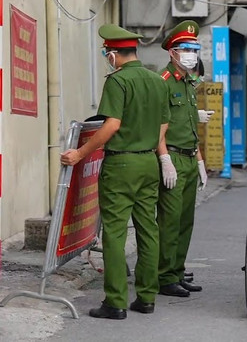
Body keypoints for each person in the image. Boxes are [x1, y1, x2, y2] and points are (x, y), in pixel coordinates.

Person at [61, 24, 170, 319]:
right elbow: (163, 125)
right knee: (149, 230)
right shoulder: (157, 81)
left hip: (121, 164)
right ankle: (147, 298)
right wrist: (163, 157)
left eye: (106, 53)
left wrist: (80, 153)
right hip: (149, 162)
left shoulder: (118, 81)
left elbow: (112, 124)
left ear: (112, 55)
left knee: (115, 233)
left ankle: (116, 302)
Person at [156, 20, 209, 298]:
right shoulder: (163, 83)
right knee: (170, 220)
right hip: (173, 158)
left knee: (186, 220)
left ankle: (177, 271)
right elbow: (159, 128)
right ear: (172, 52)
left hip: (189, 156)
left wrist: (200, 161)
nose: (191, 53)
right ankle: (164, 276)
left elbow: (190, 126)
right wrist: (164, 159)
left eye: (194, 48)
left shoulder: (189, 83)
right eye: (185, 48)